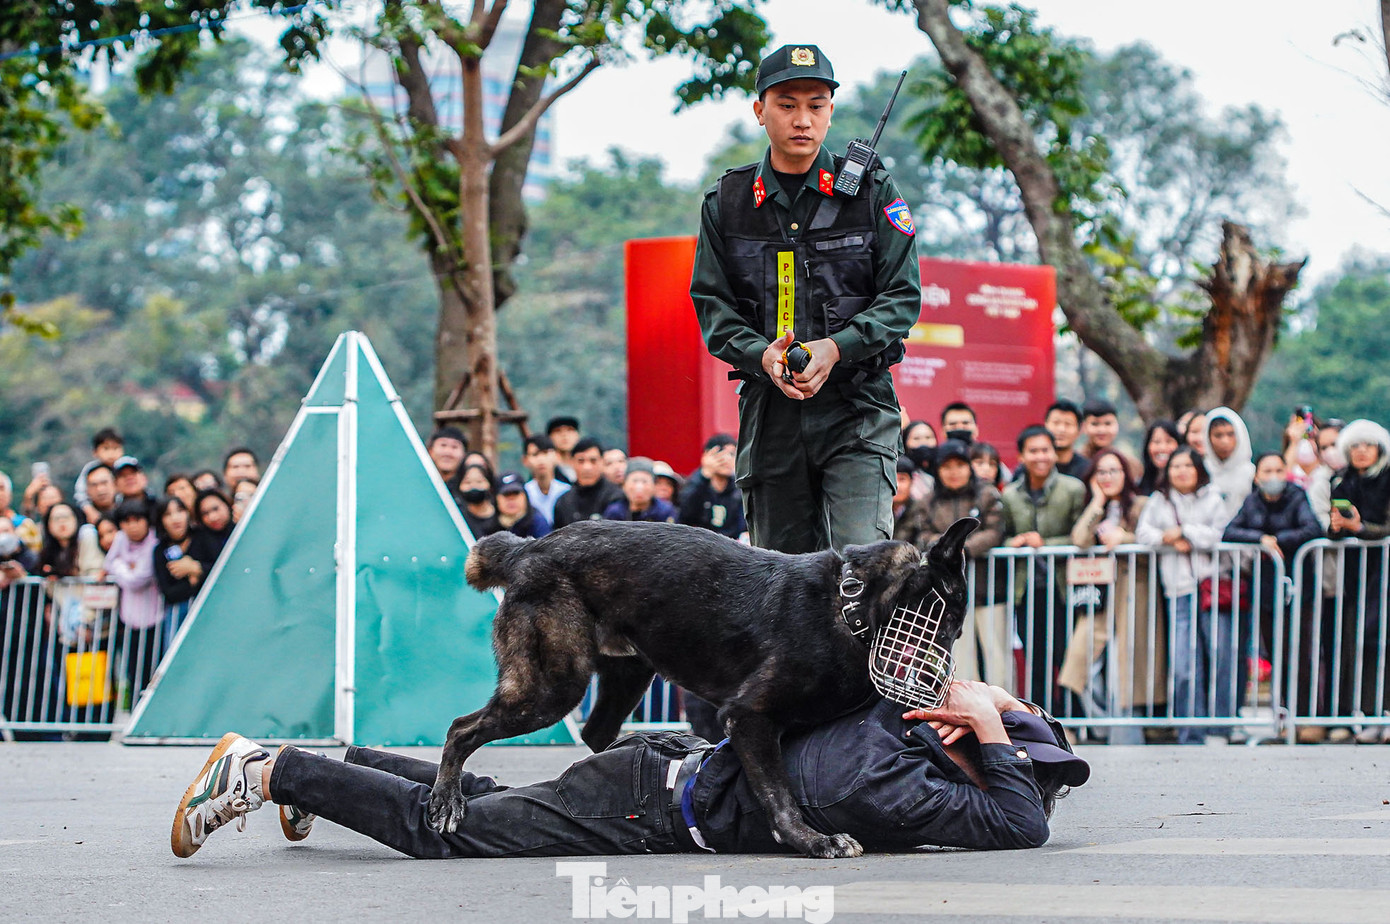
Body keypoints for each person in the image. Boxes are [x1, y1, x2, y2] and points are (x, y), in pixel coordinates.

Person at [170, 680, 1088, 860]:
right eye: (1020, 761)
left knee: (489, 800)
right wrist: (993, 729)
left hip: (656, 775)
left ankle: (338, 774)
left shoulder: (888, 711)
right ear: (967, 743)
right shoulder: (897, 776)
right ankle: (270, 770)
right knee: (448, 831)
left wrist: (986, 718)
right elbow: (1021, 824)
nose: (1032, 784)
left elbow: (1021, 807)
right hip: (649, 805)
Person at [689, 43, 920, 556]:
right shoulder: (727, 202)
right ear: (760, 110)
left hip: (858, 408)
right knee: (780, 581)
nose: (802, 119)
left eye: (816, 105)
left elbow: (902, 297)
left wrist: (835, 348)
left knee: (864, 567)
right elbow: (712, 305)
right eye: (787, 104)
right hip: (770, 414)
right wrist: (762, 355)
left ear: (831, 112)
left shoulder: (873, 192)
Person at [1057, 449, 1161, 744]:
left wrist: (1123, 538)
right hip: (1098, 599)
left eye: (1114, 470)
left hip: (1133, 594)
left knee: (1125, 668)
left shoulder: (1141, 504)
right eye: (1101, 471)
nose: (1107, 477)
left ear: (1126, 474)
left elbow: (1152, 540)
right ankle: (1101, 727)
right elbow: (1079, 539)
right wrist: (1098, 502)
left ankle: (1126, 734)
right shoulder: (1095, 507)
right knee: (1082, 663)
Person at [1134, 447, 1232, 744]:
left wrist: (1185, 531)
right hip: (1178, 590)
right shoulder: (1159, 500)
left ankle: (1221, 728)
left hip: (1212, 588)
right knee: (1184, 665)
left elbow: (1221, 534)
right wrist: (1167, 538)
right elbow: (1143, 534)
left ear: (1198, 468)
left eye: (1188, 465)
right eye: (1176, 466)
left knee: (1220, 656)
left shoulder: (1213, 497)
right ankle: (1190, 731)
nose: (1181, 471)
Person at [1222, 451, 1322, 740]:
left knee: (1301, 654)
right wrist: (1260, 540)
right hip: (1266, 592)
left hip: (1299, 588)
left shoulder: (1297, 496)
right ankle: (1284, 717)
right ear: (1257, 477)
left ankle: (1307, 718)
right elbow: (1230, 531)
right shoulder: (1252, 501)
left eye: (1279, 470)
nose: (1274, 476)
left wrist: (1279, 541)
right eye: (1267, 471)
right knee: (1276, 655)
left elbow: (1312, 528)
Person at [1000, 426, 1088, 710]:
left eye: (1045, 450)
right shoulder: (1010, 495)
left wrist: (1045, 543)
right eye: (1033, 451)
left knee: (1067, 656)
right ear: (1021, 456)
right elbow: (1002, 536)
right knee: (1035, 658)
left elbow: (1081, 537)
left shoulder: (1073, 489)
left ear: (1054, 453)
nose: (1040, 457)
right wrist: (1014, 542)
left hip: (1064, 587)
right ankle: (1040, 721)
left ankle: (1074, 719)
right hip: (1027, 589)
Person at [918, 440, 1008, 689]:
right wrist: (945, 545)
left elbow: (995, 531)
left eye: (960, 465)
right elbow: (922, 535)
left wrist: (961, 548)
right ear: (937, 470)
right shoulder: (928, 501)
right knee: (962, 662)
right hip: (950, 597)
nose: (954, 472)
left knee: (998, 659)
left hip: (990, 590)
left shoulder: (987, 494)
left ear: (969, 467)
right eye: (946, 466)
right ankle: (968, 710)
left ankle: (1008, 709)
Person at [1327, 419, 1390, 743]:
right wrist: (1337, 527)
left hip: (1384, 571)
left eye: (1367, 444)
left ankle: (1386, 713)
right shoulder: (1341, 481)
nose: (1361, 451)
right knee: (1358, 643)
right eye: (1355, 445)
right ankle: (1368, 713)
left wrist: (1361, 529)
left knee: (1383, 641)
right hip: (1355, 576)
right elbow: (1334, 531)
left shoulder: (1388, 478)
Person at [103, 498, 162, 704]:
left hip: (154, 619)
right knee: (132, 674)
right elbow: (108, 562)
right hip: (128, 620)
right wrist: (124, 567)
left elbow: (138, 579)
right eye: (126, 521)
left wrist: (120, 566)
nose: (132, 526)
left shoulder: (154, 542)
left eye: (137, 520)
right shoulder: (121, 538)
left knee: (153, 674)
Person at [152, 495, 203, 645]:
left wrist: (197, 568)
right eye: (168, 514)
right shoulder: (160, 550)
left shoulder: (202, 537)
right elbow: (168, 592)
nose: (175, 518)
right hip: (176, 615)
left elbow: (217, 571)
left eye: (180, 511)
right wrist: (193, 582)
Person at [677, 434, 747, 541]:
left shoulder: (739, 488)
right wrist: (705, 475)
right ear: (706, 456)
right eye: (720, 453)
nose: (726, 459)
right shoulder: (695, 484)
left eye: (732, 454)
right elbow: (684, 516)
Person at [552, 438, 625, 529]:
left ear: (602, 462)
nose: (587, 467)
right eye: (581, 461)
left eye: (593, 461)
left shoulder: (616, 497)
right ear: (572, 463)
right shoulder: (563, 502)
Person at [1202, 407, 1255, 524]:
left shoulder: (1251, 474)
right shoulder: (1200, 470)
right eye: (1218, 435)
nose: (1225, 441)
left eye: (1230, 434)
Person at [604, 458, 677, 523]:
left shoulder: (665, 511)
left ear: (653, 485)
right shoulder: (614, 512)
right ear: (624, 485)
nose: (639, 487)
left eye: (644, 481)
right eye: (634, 481)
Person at [73, 427, 125, 517]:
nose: (111, 453)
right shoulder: (90, 469)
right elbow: (80, 492)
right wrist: (88, 510)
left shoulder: (125, 467)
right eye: (106, 449)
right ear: (95, 452)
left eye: (115, 448)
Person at [522, 435, 570, 525]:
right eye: (535, 454)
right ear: (525, 460)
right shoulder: (523, 495)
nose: (541, 459)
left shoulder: (567, 492)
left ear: (557, 456)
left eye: (545, 453)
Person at [188, 489, 234, 574]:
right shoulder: (200, 540)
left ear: (227, 504)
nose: (212, 517)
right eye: (205, 513)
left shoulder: (242, 526)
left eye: (215, 509)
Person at [494, 472, 551, 539]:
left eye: (516, 493)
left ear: (525, 496)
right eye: (506, 494)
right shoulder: (490, 524)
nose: (511, 499)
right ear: (496, 498)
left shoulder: (538, 523)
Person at [1044, 399, 1088, 479]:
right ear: (1045, 425)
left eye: (1068, 424)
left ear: (1080, 430)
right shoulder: (1033, 467)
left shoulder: (1087, 470)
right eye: (1056, 423)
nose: (1061, 429)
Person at [1136, 420, 1181, 496]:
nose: (1162, 448)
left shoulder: (1186, 484)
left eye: (1169, 441)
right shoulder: (1140, 485)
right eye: (1156, 442)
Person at [457, 464, 500, 539]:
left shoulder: (501, 514)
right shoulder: (457, 516)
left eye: (479, 481)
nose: (474, 486)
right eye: (467, 482)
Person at [426, 426, 468, 500]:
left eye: (454, 447)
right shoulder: (419, 484)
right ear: (430, 451)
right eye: (443, 445)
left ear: (464, 455)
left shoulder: (467, 489)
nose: (448, 452)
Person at [901, 419, 937, 500]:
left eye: (928, 437)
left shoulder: (942, 469)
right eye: (916, 438)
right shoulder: (900, 471)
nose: (923, 443)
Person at [546, 416, 582, 484]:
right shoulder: (544, 467)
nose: (564, 435)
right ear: (549, 438)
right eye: (558, 431)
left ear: (577, 435)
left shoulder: (587, 465)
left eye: (570, 430)